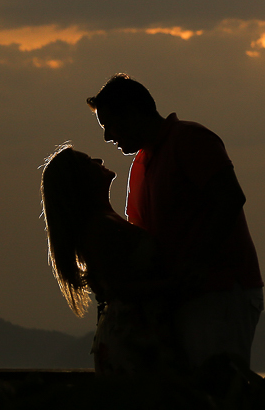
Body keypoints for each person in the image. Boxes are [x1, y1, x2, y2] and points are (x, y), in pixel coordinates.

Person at [86, 74, 264, 370]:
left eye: (109, 125)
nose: (107, 137)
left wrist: (197, 263)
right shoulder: (141, 165)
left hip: (219, 292)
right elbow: (140, 237)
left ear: (132, 112)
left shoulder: (189, 139)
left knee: (217, 389)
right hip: (179, 296)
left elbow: (230, 198)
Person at [41, 144, 182, 374]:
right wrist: (178, 284)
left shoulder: (105, 222)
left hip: (140, 332)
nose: (97, 159)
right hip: (134, 339)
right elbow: (120, 288)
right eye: (88, 161)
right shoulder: (99, 229)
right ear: (80, 181)